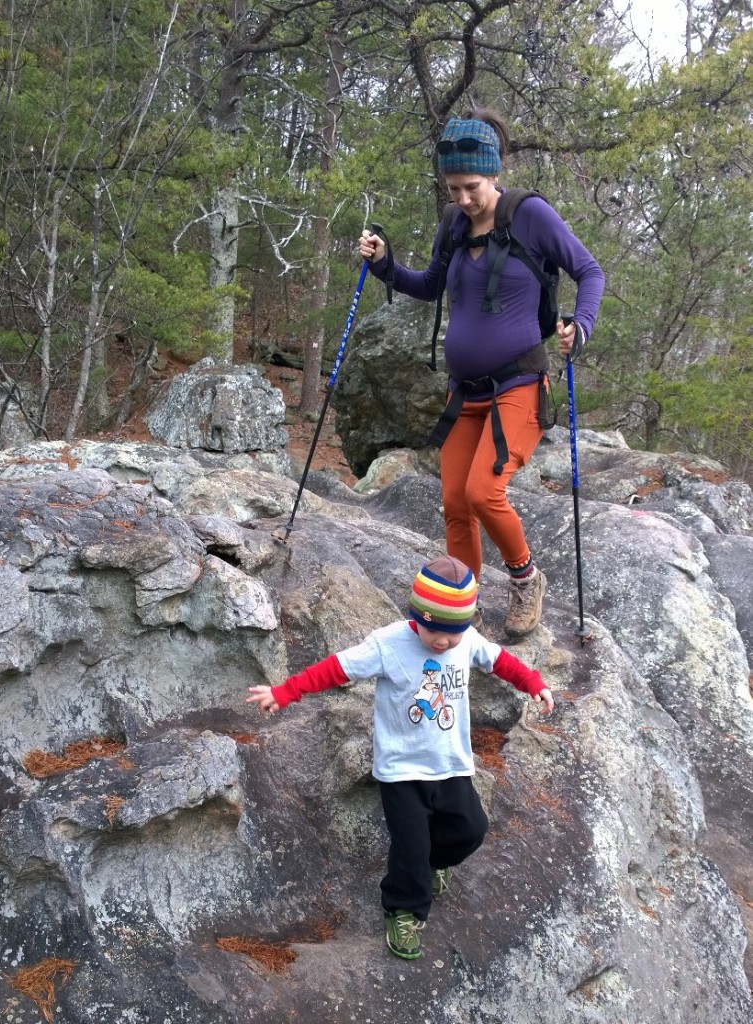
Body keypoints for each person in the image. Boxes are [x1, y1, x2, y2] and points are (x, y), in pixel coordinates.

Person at [358, 107, 605, 638]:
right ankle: (459, 601)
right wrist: (382, 264)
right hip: (463, 393)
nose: (463, 199)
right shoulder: (453, 223)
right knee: (453, 501)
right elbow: (428, 285)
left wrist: (579, 328)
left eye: (471, 186)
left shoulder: (531, 215)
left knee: (483, 493)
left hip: (518, 385)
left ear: (493, 173)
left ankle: (525, 579)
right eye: (453, 189)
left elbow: (589, 270)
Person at [247, 554, 554, 960]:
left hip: (450, 764)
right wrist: (286, 691)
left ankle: (434, 863)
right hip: (401, 770)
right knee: (410, 847)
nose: (443, 642)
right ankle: (404, 908)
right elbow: (338, 668)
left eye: (453, 634)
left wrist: (534, 683)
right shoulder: (388, 643)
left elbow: (500, 661)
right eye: (434, 632)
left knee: (470, 830)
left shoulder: (467, 641)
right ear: (418, 616)